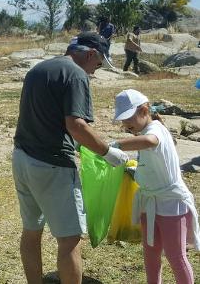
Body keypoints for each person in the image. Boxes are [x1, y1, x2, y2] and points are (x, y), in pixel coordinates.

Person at [12, 32, 129, 284]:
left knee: (31, 231)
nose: (95, 72)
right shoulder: (76, 75)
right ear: (90, 54)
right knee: (70, 238)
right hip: (52, 165)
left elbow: (46, 116)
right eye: (98, 64)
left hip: (22, 158)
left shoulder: (39, 69)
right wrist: (108, 153)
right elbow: (76, 125)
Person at [110, 89, 199, 284]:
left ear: (144, 110)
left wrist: (115, 145)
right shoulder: (142, 130)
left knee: (176, 257)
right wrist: (134, 172)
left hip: (171, 204)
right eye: (123, 122)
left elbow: (150, 142)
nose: (126, 125)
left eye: (129, 120)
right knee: (150, 254)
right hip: (149, 202)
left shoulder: (155, 129)